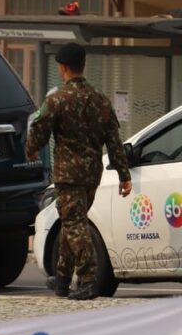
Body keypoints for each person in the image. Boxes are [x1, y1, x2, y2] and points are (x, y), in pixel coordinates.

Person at [26, 42, 133, 300]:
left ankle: (87, 280)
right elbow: (114, 141)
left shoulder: (57, 100)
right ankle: (62, 279)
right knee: (71, 222)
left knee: (74, 224)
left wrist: (30, 150)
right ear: (82, 66)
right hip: (92, 176)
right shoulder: (100, 100)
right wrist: (123, 175)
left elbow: (38, 133)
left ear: (63, 68)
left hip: (68, 176)